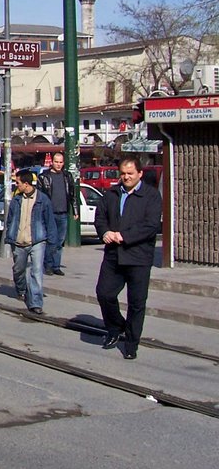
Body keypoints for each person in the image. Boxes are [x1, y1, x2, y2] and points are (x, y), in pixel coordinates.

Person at [94, 156, 162, 361]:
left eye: (130, 173)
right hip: (114, 254)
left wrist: (125, 236)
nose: (126, 177)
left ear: (140, 174)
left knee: (136, 302)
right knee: (104, 293)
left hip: (138, 256)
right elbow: (100, 217)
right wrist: (105, 232)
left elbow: (151, 225)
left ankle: (131, 343)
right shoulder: (112, 193)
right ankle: (115, 327)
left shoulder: (150, 195)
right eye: (123, 174)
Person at [4, 170, 57, 314]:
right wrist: (10, 234)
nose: (16, 185)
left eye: (18, 183)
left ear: (26, 184)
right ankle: (21, 289)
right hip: (19, 241)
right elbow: (10, 220)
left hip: (37, 241)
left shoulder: (42, 199)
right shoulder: (16, 200)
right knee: (18, 269)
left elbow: (50, 222)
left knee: (37, 271)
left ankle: (36, 303)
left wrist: (53, 243)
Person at [37, 153, 78, 276]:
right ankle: (48, 265)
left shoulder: (67, 176)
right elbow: (40, 197)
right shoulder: (44, 177)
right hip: (50, 214)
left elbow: (72, 194)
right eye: (56, 162)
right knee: (51, 240)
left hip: (63, 213)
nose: (59, 164)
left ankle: (56, 265)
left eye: (61, 162)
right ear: (52, 162)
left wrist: (75, 210)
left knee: (60, 241)